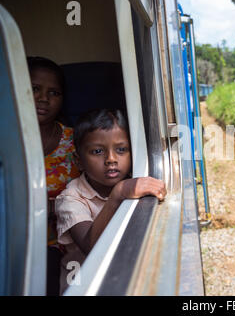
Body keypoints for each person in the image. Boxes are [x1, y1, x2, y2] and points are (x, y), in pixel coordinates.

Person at [55, 109, 167, 294]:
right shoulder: (70, 199)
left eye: (121, 149)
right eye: (98, 151)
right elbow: (91, 247)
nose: (111, 159)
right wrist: (118, 194)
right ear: (79, 161)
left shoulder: (135, 181)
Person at [27, 56, 80, 295]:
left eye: (54, 93)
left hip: (63, 246)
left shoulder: (76, 142)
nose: (43, 98)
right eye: (34, 89)